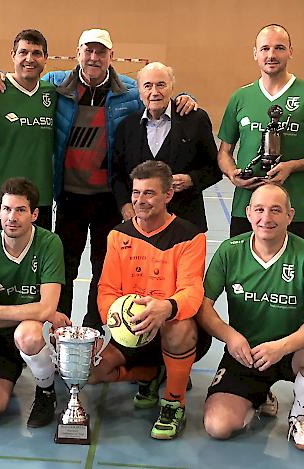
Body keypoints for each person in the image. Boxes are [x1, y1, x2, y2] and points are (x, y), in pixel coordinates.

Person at [0, 29, 197, 329]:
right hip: (70, 195)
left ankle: (94, 329)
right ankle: (61, 329)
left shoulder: (129, 93)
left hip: (107, 197)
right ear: (78, 53)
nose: (94, 57)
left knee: (103, 269)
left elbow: (158, 96)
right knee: (64, 268)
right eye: (89, 51)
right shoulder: (56, 85)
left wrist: (188, 98)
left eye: (101, 52)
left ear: (111, 56)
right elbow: (22, 77)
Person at [197, 183, 304, 451]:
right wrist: (230, 335)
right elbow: (203, 306)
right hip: (246, 353)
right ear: (248, 213)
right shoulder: (230, 251)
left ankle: (300, 416)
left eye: (276, 210)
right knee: (218, 427)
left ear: (290, 215)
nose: (266, 218)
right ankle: (258, 395)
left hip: (291, 350)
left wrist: (282, 346)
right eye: (260, 209)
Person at [90, 160, 208, 440]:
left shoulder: (190, 237)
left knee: (179, 327)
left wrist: (166, 308)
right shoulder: (119, 235)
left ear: (168, 195)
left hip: (172, 327)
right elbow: (106, 288)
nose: (140, 200)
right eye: (136, 193)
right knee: (93, 372)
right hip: (132, 330)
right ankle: (151, 373)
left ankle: (173, 403)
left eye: (149, 193)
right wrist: (116, 317)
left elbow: (192, 291)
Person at [217, 24, 304, 242]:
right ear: (255, 53)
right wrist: (232, 174)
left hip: (293, 209)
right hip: (247, 209)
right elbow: (224, 152)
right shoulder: (240, 97)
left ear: (290, 51)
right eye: (265, 48)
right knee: (242, 275)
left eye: (279, 48)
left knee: (291, 275)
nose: (271, 55)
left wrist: (294, 165)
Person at [0, 178, 69, 428]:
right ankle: (17, 370)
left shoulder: (49, 243)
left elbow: (45, 309)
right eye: (7, 209)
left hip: (36, 334)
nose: (12, 217)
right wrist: (37, 312)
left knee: (28, 333)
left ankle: (46, 391)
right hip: (0, 339)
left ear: (34, 214)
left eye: (21, 210)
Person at [111, 62, 222, 232]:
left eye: (161, 85)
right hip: (140, 225)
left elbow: (214, 168)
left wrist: (191, 179)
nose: (154, 92)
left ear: (172, 87)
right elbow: (116, 173)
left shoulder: (195, 120)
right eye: (148, 86)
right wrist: (124, 205)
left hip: (186, 223)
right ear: (140, 92)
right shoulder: (127, 127)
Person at [0, 30, 56, 239]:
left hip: (38, 201)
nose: (29, 59)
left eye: (36, 53)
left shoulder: (51, 94)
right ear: (13, 55)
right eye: (23, 52)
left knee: (34, 267)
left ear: (45, 59)